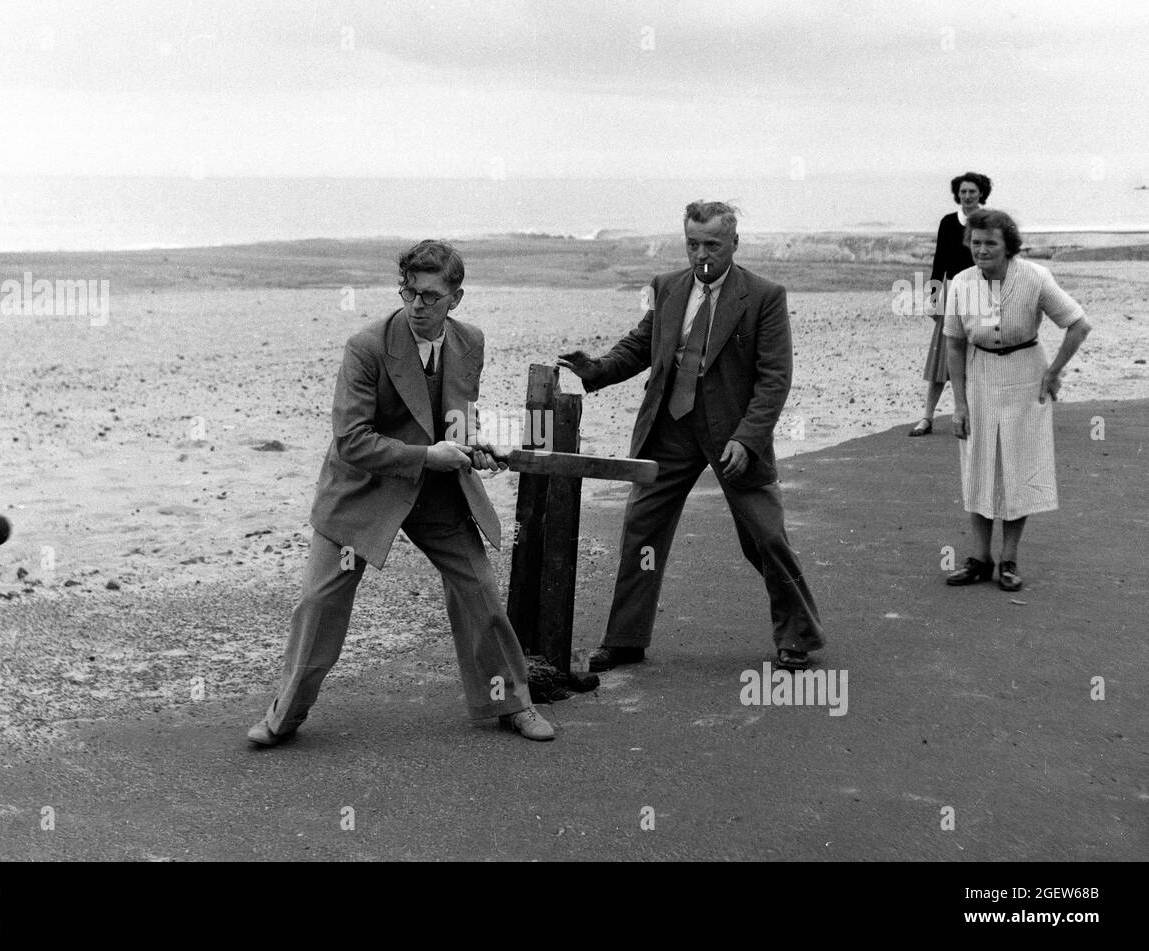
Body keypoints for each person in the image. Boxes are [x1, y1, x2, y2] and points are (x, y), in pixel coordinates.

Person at [247, 240, 555, 745]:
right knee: (320, 604)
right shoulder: (366, 346)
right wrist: (427, 455)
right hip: (363, 490)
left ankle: (514, 704)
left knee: (479, 593)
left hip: (434, 490)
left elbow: (456, 418)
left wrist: (473, 445)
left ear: (456, 298)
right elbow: (351, 441)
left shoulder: (470, 341)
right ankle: (285, 716)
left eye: (430, 296)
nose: (416, 305)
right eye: (408, 292)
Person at [558, 201, 824, 672]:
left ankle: (797, 635)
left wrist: (748, 438)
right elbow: (641, 346)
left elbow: (774, 378)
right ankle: (624, 639)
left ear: (735, 244)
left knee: (766, 537)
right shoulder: (667, 288)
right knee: (642, 532)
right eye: (693, 244)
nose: (701, 254)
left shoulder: (764, 296)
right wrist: (595, 369)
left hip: (734, 438)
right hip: (670, 428)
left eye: (713, 245)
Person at [943, 209, 1092, 591]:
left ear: (1009, 246)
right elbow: (955, 345)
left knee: (1018, 467)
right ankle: (979, 558)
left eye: (991, 242)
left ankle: (1008, 560)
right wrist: (958, 403)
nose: (981, 250)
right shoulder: (961, 283)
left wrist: (1054, 371)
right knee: (978, 466)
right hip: (979, 379)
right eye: (975, 242)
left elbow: (1079, 324)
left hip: (1026, 378)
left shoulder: (1035, 277)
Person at [910, 171, 991, 436]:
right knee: (941, 357)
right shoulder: (947, 222)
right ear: (958, 194)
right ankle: (927, 417)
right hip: (952, 294)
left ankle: (980, 417)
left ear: (981, 193)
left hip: (984, 293)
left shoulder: (988, 221)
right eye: (963, 191)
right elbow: (939, 262)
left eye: (973, 191)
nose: (967, 196)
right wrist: (933, 299)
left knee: (982, 356)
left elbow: (998, 259)